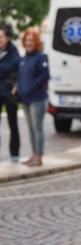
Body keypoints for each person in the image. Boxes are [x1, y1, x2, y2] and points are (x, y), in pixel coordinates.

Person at [17, 28, 50, 167]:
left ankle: (39, 156)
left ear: (35, 42)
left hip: (37, 99)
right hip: (25, 100)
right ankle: (33, 154)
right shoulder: (24, 59)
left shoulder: (40, 57)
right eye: (27, 40)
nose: (29, 43)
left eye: (31, 40)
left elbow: (45, 76)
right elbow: (21, 77)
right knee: (30, 129)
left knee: (37, 128)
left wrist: (30, 88)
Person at [0, 25, 21, 162]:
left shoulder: (14, 52)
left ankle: (14, 154)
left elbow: (13, 67)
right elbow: (6, 69)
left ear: (8, 38)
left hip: (10, 94)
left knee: (13, 124)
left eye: (1, 37)